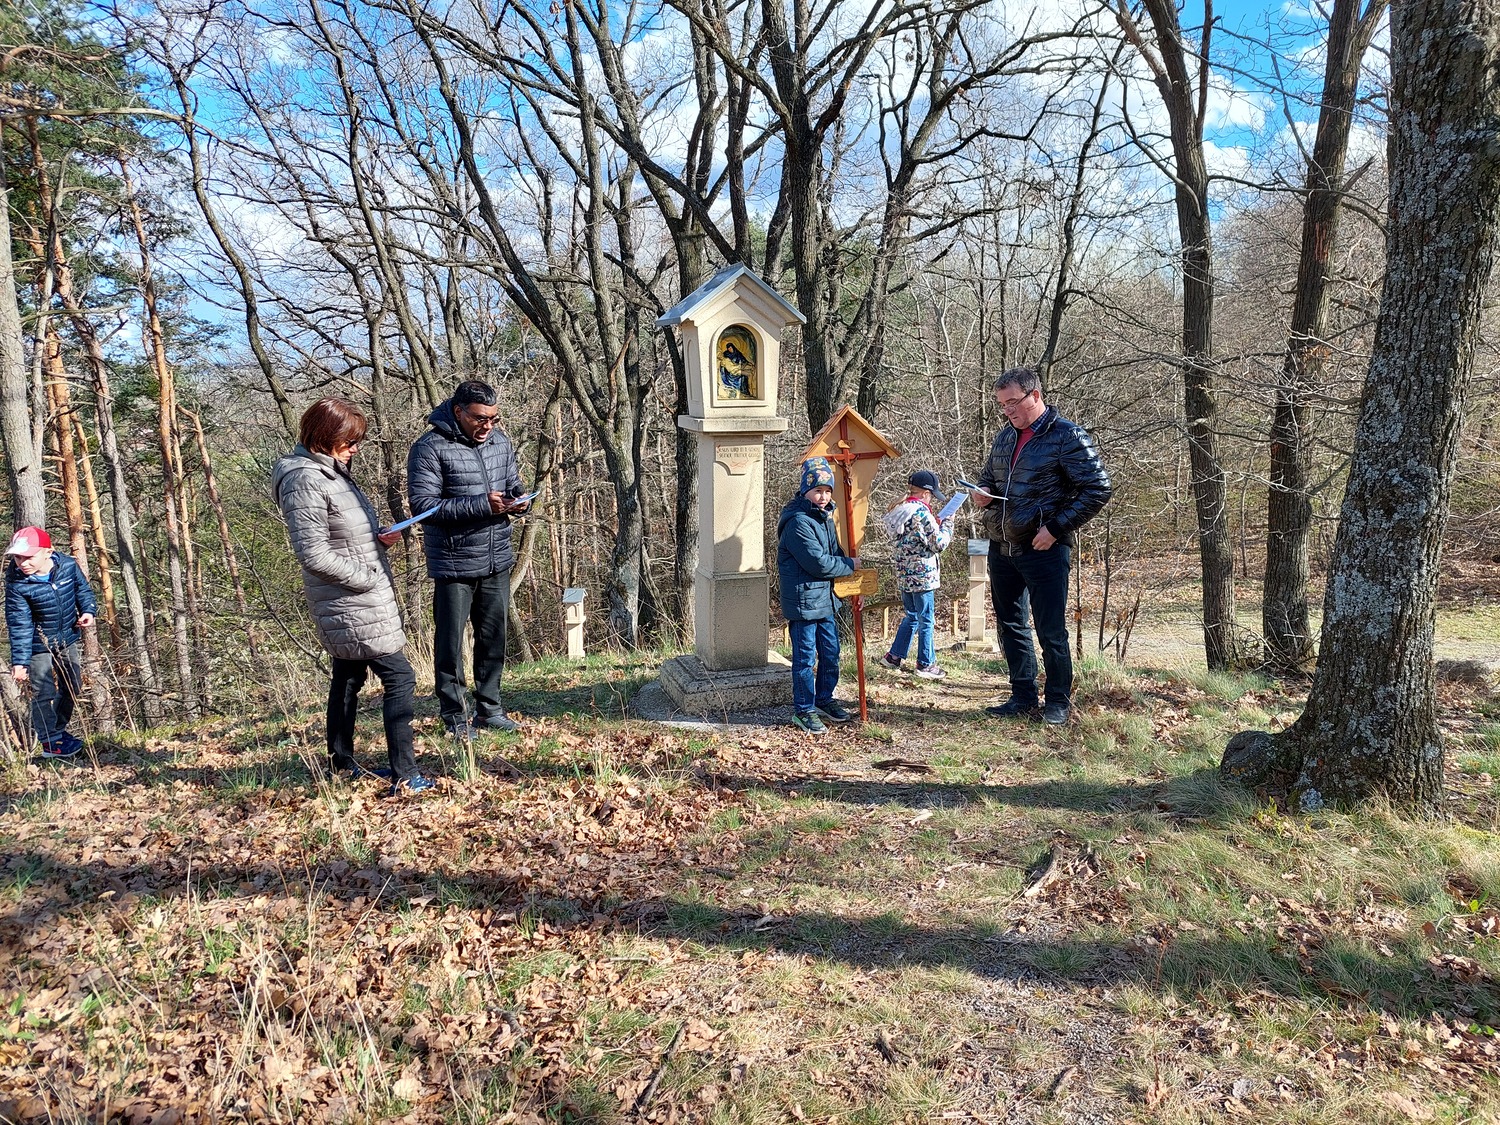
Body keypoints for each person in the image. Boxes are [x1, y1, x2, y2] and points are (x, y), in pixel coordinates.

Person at [273, 398, 432, 795]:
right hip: (349, 599)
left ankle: (340, 764)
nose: (355, 449)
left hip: (356, 595)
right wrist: (367, 577)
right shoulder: (304, 479)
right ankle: (405, 774)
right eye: (348, 441)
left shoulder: (331, 473)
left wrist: (379, 540)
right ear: (323, 437)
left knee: (348, 676)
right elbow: (313, 554)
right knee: (400, 677)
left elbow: (343, 537)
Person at [971, 367, 1112, 725]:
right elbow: (989, 478)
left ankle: (1058, 701)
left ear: (1035, 395)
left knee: (1050, 630)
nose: (1008, 410)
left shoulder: (1067, 436)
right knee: (1010, 624)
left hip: (1045, 550)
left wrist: (1056, 527)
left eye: (1013, 402)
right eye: (1002, 405)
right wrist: (982, 492)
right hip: (1002, 546)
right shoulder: (1005, 437)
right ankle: (1022, 696)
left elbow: (1098, 488)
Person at [408, 380, 530, 738]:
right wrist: (481, 505)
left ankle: (489, 709)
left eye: (493, 418)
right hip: (454, 564)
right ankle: (455, 718)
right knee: (450, 644)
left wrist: (520, 502)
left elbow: (513, 484)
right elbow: (423, 507)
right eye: (480, 418)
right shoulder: (429, 448)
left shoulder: (500, 441)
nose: (487, 426)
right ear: (458, 411)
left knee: (493, 638)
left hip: (496, 558)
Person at [777, 456, 859, 735]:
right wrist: (849, 565)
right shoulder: (798, 523)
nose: (823, 497)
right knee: (805, 658)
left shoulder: (824, 517)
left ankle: (824, 699)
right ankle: (804, 709)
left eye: (827, 491)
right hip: (804, 602)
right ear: (805, 491)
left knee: (831, 653)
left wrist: (849, 579)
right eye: (817, 491)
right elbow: (819, 563)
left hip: (825, 599)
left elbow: (834, 553)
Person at [5, 527, 97, 759]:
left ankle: (58, 730)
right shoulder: (17, 584)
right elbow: (19, 624)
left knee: (73, 684)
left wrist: (88, 610)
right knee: (43, 692)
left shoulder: (68, 566)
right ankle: (50, 742)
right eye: (18, 558)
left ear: (48, 552)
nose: (23, 563)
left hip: (67, 637)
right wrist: (20, 662)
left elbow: (82, 590)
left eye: (29, 557)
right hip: (37, 646)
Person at [879, 469, 956, 680]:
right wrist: (948, 524)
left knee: (912, 616)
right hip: (922, 576)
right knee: (926, 619)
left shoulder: (902, 510)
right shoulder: (921, 513)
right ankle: (925, 664)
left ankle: (894, 656)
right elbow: (939, 543)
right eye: (931, 495)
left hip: (905, 574)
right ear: (925, 493)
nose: (932, 499)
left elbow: (915, 539)